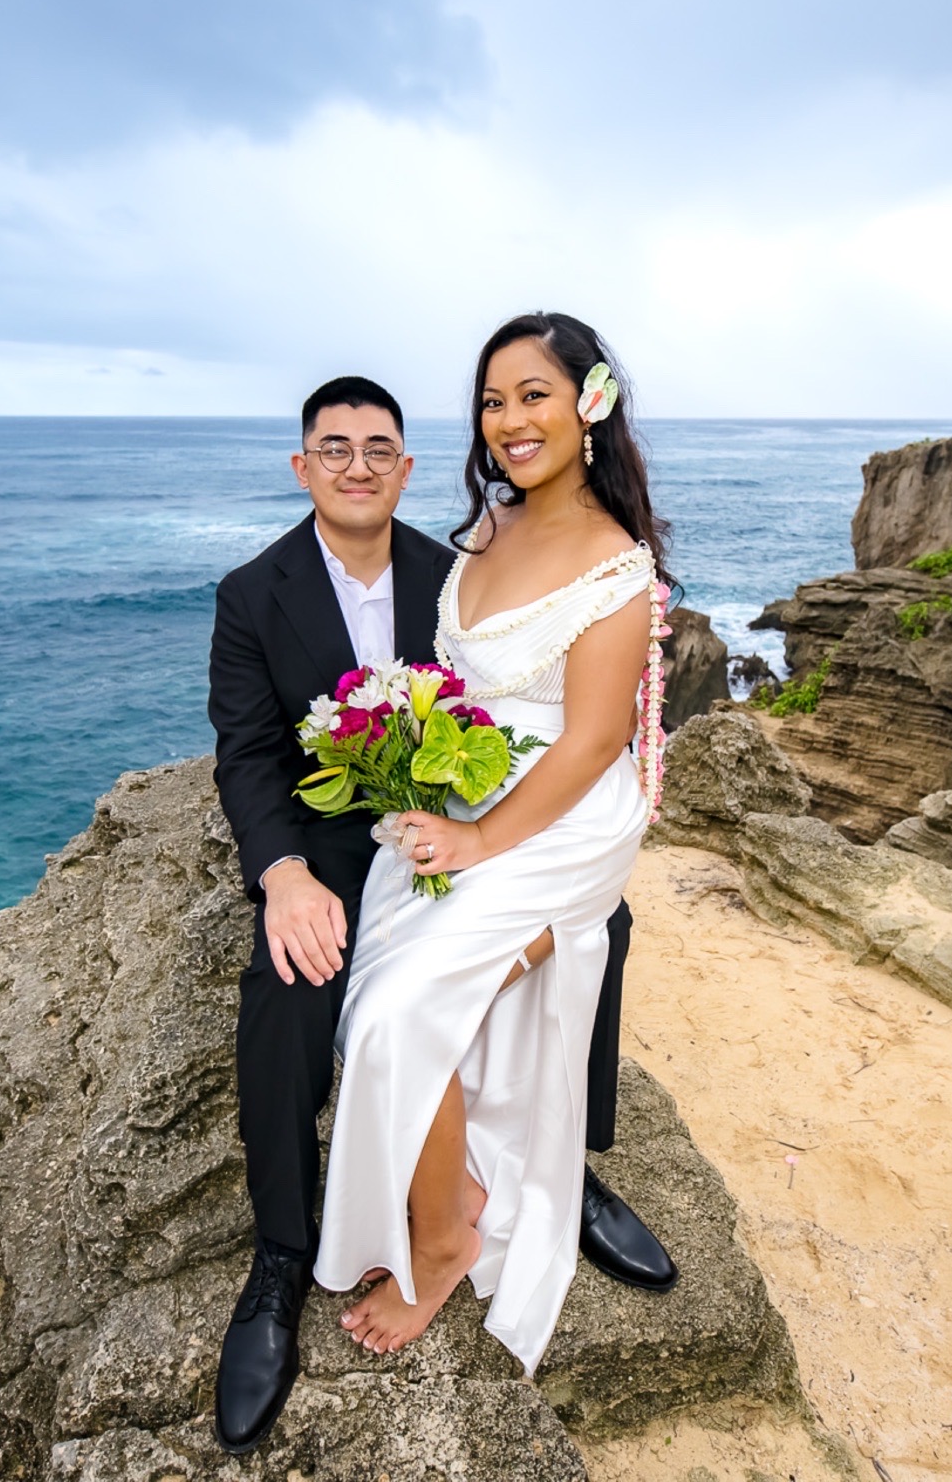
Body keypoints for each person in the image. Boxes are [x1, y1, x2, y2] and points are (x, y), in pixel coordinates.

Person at [205, 369, 673, 1456]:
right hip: (332, 842)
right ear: (303, 465)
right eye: (335, 448)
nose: (358, 467)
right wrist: (281, 872)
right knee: (290, 988)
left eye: (380, 449)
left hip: (464, 809)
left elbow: (552, 702)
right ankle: (281, 1256)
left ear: (407, 468)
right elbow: (249, 753)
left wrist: (481, 826)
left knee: (599, 930)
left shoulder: (453, 566)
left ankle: (567, 1161)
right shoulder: (252, 593)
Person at [313, 313, 670, 1375]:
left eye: (534, 394)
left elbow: (599, 736)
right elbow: (459, 680)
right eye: (492, 399)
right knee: (378, 996)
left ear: (588, 404)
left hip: (561, 819)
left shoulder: (618, 565)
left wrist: (477, 839)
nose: (509, 420)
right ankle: (453, 1193)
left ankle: (443, 1240)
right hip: (471, 783)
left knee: (401, 1009)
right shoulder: (483, 533)